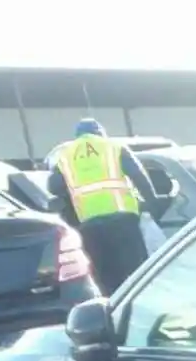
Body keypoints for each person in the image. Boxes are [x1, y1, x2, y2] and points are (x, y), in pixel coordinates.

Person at [46, 119, 159, 293]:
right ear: (100, 132)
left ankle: (114, 311)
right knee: (137, 274)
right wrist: (152, 202)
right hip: (123, 220)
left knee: (106, 278)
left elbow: (53, 187)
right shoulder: (113, 147)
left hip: (91, 225)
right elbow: (139, 176)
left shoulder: (65, 156)